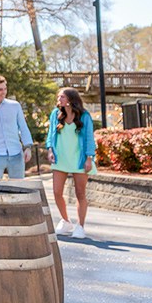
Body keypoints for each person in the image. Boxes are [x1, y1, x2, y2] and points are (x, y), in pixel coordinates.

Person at [46, 86, 97, 239]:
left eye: (61, 97)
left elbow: (89, 138)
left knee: (80, 193)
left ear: (70, 99)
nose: (58, 100)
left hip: (79, 159)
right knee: (56, 192)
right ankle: (65, 220)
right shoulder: (56, 114)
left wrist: (89, 158)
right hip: (60, 158)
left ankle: (80, 226)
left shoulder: (85, 116)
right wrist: (50, 150)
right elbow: (50, 135)